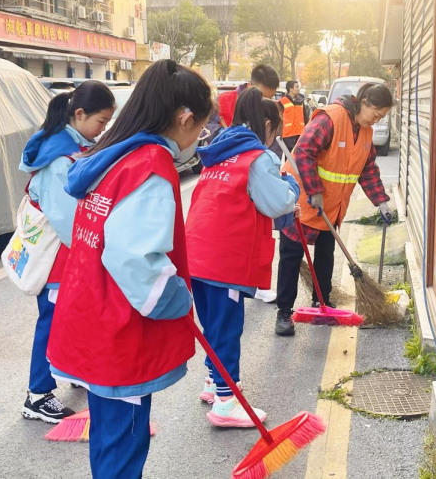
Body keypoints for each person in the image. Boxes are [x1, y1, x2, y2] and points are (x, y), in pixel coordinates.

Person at [47, 59, 213, 479]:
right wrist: (178, 298)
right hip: (122, 332)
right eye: (200, 129)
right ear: (184, 118)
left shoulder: (111, 156)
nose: (199, 139)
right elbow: (135, 260)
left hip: (91, 317)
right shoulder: (151, 168)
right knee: (125, 445)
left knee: (110, 439)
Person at [186, 88, 299, 427]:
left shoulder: (222, 150)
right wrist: (290, 185)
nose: (274, 138)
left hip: (196, 252)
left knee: (213, 325)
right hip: (225, 257)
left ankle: (212, 381)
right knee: (228, 329)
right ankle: (225, 403)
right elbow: (278, 203)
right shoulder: (257, 157)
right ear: (267, 124)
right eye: (275, 132)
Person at [18, 81, 116, 424]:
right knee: (52, 319)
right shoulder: (60, 156)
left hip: (65, 252)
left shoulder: (70, 144)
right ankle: (38, 394)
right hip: (60, 256)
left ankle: (70, 369)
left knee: (69, 316)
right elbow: (67, 218)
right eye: (101, 121)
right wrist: (95, 250)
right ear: (79, 114)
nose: (102, 129)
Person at [275, 83, 395, 336]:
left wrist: (381, 201)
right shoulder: (330, 118)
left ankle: (322, 302)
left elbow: (368, 168)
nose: (377, 119)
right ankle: (284, 312)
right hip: (303, 199)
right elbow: (304, 152)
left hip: (333, 205)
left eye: (382, 117)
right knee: (291, 255)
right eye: (377, 113)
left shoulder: (365, 131)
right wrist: (315, 191)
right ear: (363, 103)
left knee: (326, 254)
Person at [279, 80, 309, 151]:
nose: (298, 89)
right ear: (291, 89)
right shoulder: (282, 102)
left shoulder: (301, 102)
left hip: (300, 135)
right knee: (288, 159)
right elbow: (279, 119)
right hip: (287, 136)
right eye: (297, 87)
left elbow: (305, 118)